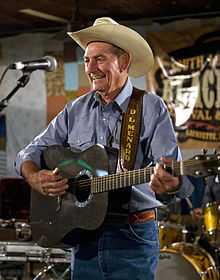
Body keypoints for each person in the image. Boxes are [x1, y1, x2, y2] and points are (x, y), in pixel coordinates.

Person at [15, 17, 194, 280]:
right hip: (82, 236)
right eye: (87, 60)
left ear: (123, 62)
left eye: (100, 59)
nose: (91, 68)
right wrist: (34, 177)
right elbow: (30, 151)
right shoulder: (75, 110)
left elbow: (174, 178)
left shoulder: (151, 108)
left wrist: (170, 183)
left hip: (131, 238)